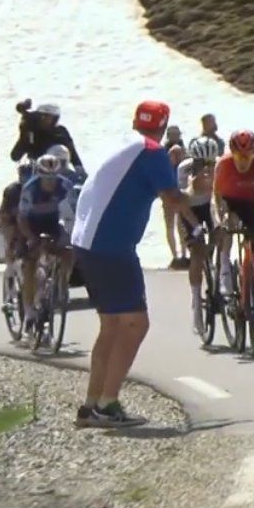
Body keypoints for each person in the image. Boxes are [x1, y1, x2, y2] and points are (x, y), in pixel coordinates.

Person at [71, 101, 202, 427]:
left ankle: (91, 404)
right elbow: (172, 197)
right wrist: (204, 201)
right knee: (135, 324)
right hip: (113, 245)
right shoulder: (151, 151)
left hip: (86, 242)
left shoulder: (122, 145)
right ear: (164, 124)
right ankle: (108, 403)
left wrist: (192, 220)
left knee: (112, 325)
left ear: (135, 121)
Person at [213, 129, 254, 341]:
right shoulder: (223, 165)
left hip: (251, 206)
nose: (242, 162)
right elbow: (217, 198)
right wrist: (221, 217)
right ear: (232, 153)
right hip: (229, 204)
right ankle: (223, 268)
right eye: (239, 157)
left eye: (247, 157)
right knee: (228, 228)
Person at [17, 153, 76, 336]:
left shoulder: (65, 186)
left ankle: (62, 283)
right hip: (31, 224)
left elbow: (72, 214)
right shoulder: (30, 188)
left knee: (69, 251)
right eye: (46, 178)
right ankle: (28, 311)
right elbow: (22, 217)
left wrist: (70, 236)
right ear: (39, 176)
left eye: (53, 178)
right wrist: (30, 238)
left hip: (53, 223)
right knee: (30, 264)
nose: (50, 182)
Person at [178, 137, 219, 335]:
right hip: (189, 209)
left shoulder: (220, 167)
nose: (207, 167)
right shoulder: (184, 170)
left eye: (210, 162)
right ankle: (196, 301)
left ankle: (217, 271)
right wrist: (195, 226)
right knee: (196, 252)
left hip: (208, 206)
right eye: (201, 163)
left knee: (219, 235)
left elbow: (219, 199)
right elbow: (181, 202)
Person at [11, 99, 81, 168]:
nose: (44, 119)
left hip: (60, 171)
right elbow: (15, 156)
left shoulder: (61, 131)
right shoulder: (32, 132)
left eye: (49, 117)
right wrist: (24, 133)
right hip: (36, 171)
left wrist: (79, 168)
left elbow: (73, 153)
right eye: (42, 116)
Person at [162, 126, 189, 270]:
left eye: (176, 134)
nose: (174, 136)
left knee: (182, 226)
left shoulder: (185, 150)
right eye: (172, 134)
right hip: (168, 192)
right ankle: (175, 255)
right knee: (170, 225)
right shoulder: (162, 152)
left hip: (182, 192)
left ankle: (184, 255)